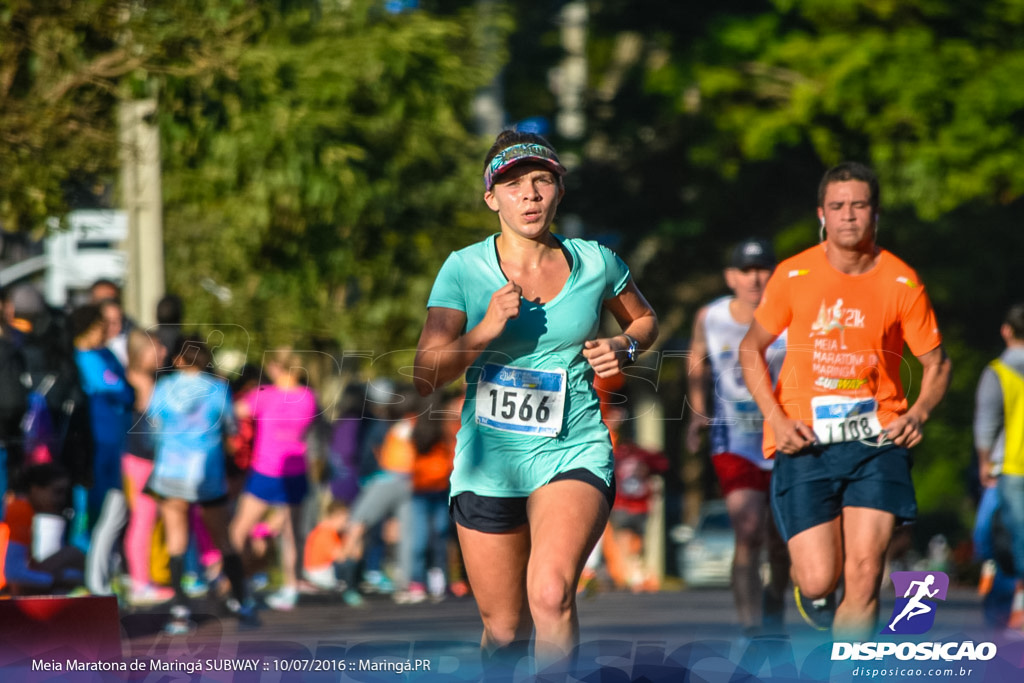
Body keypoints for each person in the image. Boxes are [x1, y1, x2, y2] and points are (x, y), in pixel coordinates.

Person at [413, 128, 658, 672]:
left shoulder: (595, 261)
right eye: (513, 184)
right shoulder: (463, 269)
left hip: (573, 448)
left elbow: (645, 318)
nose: (529, 194)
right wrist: (482, 332)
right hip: (488, 463)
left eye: (541, 181)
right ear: (491, 198)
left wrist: (626, 343)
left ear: (559, 192)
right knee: (504, 629)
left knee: (550, 594)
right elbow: (424, 375)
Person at [738, 161, 952, 641]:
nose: (848, 216)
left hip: (878, 440)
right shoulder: (794, 274)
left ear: (875, 214)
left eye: (859, 206)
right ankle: (811, 588)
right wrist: (775, 418)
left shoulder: (902, 282)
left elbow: (938, 363)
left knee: (865, 571)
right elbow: (749, 350)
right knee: (820, 578)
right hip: (805, 440)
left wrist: (918, 412)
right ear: (822, 214)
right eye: (838, 207)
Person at [686, 238, 790, 634]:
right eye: (746, 270)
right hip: (734, 438)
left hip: (783, 437)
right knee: (748, 531)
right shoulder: (711, 316)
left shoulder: (789, 314)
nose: (755, 278)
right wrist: (698, 412)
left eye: (763, 268)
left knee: (780, 541)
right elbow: (697, 359)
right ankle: (752, 626)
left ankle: (776, 597)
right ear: (731, 276)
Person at [146, 336, 255, 633]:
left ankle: (180, 610)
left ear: (178, 359)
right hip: (207, 474)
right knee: (224, 540)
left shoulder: (164, 387)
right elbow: (231, 428)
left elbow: (153, 426)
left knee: (177, 541)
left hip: (171, 473)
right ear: (205, 359)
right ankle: (242, 601)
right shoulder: (218, 389)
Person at [229, 349, 319, 612]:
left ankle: (236, 584)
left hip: (266, 470)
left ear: (278, 367)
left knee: (238, 529)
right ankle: (291, 587)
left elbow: (235, 410)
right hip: (296, 470)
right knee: (292, 534)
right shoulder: (309, 397)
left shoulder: (265, 396)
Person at [974, 302, 1024, 628]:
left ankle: (1014, 603)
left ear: (1006, 330)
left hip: (1012, 466)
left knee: (1008, 538)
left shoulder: (999, 371)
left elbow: (986, 423)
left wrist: (983, 461)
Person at [2, 463, 84, 595]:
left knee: (73, 560)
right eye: (57, 492)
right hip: (6, 593)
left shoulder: (22, 509)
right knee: (72, 555)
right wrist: (57, 579)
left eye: (65, 493)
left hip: (11, 588)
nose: (62, 500)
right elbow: (13, 573)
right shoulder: (20, 510)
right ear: (35, 489)